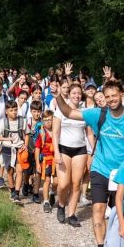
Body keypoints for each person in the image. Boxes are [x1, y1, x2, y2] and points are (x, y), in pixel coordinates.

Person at [58, 79, 124, 247]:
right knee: (98, 209)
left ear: (122, 94)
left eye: (114, 95)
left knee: (119, 213)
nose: (111, 99)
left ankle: (116, 244)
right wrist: (59, 98)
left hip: (121, 173)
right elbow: (69, 112)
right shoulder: (98, 115)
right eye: (107, 96)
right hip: (100, 169)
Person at [52, 82, 89, 227]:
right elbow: (55, 133)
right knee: (63, 184)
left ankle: (72, 214)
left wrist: (95, 150)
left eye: (79, 93)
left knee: (76, 184)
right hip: (63, 149)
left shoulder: (84, 111)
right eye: (74, 93)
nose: (76, 96)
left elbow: (89, 133)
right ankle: (61, 204)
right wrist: (56, 152)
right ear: (69, 94)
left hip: (80, 149)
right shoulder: (61, 109)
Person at [34, 109, 56, 212]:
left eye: (50, 120)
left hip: (56, 160)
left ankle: (52, 192)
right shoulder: (42, 134)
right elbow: (37, 149)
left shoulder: (57, 132)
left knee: (57, 182)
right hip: (46, 161)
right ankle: (46, 201)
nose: (48, 122)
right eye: (46, 120)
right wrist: (38, 163)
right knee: (47, 180)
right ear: (43, 121)